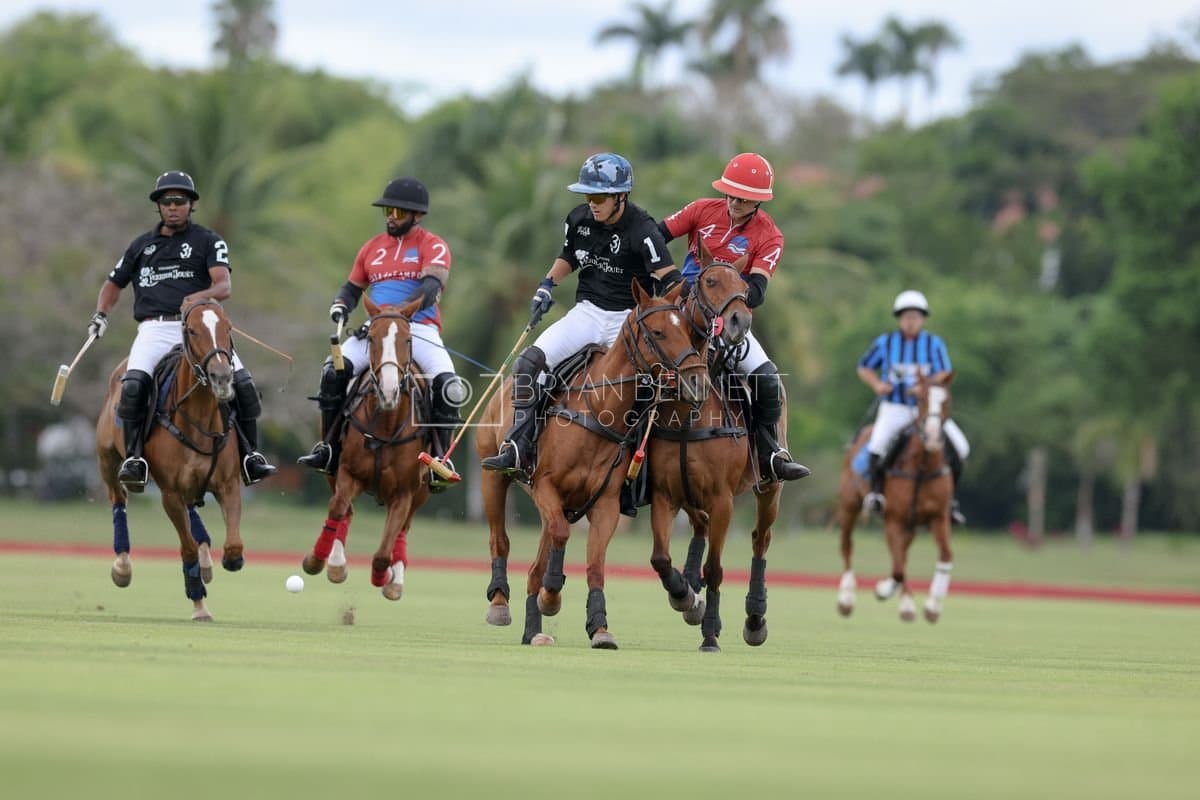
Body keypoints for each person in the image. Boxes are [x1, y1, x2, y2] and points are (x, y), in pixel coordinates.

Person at [480, 152, 682, 479]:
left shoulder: (643, 230)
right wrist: (547, 285)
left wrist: (676, 311)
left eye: (599, 197)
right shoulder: (578, 220)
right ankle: (519, 445)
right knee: (529, 363)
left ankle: (641, 473)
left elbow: (670, 278)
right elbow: (569, 256)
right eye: (588, 196)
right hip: (587, 313)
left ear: (620, 196)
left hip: (627, 320)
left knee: (647, 388)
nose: (592, 204)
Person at [88, 170, 277, 490]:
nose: (173, 206)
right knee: (132, 386)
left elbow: (223, 285)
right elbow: (113, 284)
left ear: (191, 205)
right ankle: (134, 459)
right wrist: (101, 315)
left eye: (180, 200)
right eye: (166, 201)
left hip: (200, 326)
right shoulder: (141, 246)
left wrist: (198, 298)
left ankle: (251, 456)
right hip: (155, 329)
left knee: (243, 385)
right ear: (158, 206)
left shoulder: (208, 240)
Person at [297, 177, 467, 484]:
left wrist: (395, 314)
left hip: (418, 329)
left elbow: (431, 288)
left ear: (418, 215)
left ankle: (440, 459)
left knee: (448, 385)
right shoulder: (372, 248)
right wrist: (340, 304)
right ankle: (328, 447)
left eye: (398, 212)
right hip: (375, 330)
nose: (391, 217)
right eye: (388, 210)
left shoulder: (433, 245)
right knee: (333, 371)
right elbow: (353, 287)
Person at [657, 152, 810, 484]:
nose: (735, 202)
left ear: (758, 202)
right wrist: (671, 278)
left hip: (730, 322)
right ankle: (622, 450)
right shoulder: (701, 210)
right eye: (731, 194)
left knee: (768, 379)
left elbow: (757, 290)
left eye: (744, 198)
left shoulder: (769, 235)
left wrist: (725, 294)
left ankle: (770, 454)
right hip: (682, 312)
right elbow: (655, 238)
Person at [856, 290, 969, 524]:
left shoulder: (933, 344)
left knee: (961, 447)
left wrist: (925, 386)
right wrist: (877, 384)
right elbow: (864, 366)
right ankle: (876, 494)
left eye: (916, 317)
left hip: (927, 410)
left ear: (923, 319)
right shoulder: (886, 342)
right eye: (906, 316)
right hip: (895, 407)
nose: (911, 321)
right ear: (899, 318)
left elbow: (945, 372)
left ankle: (951, 501)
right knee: (877, 445)